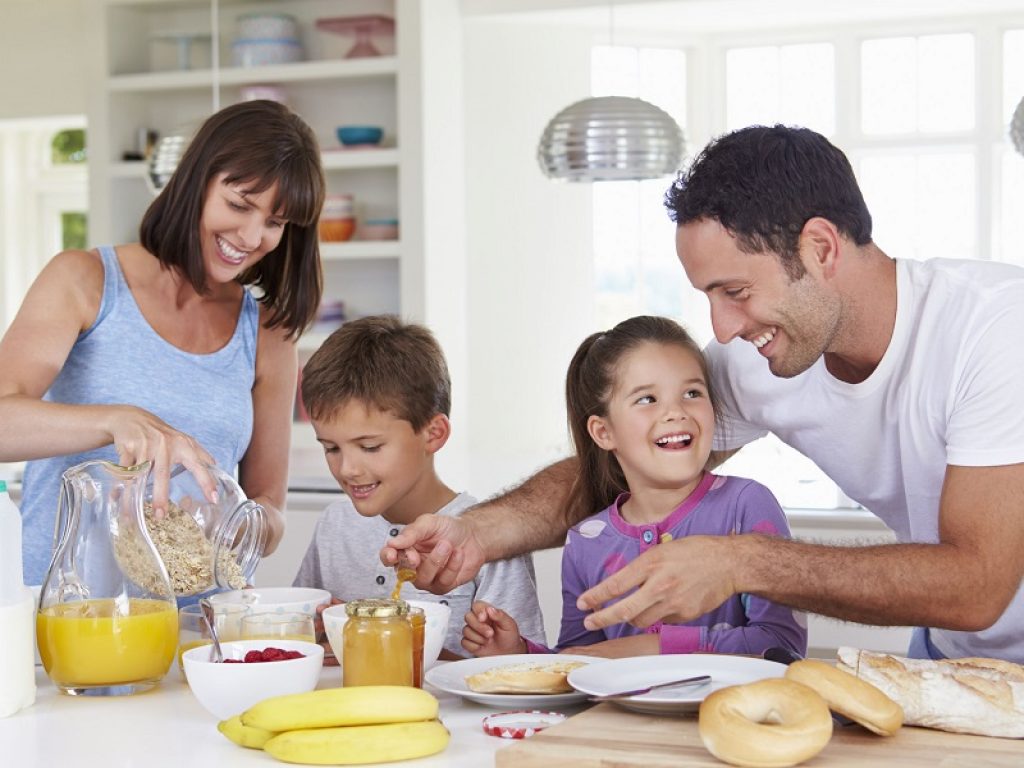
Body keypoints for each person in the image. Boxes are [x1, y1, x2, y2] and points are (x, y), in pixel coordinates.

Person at [385, 125, 1024, 664]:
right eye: (709, 298)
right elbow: (626, 462)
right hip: (950, 653)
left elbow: (978, 584)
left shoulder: (994, 331)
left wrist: (743, 561)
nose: (722, 329)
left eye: (735, 291)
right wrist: (473, 535)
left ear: (821, 247)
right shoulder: (763, 355)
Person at [0, 99, 325, 586]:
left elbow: (270, 508)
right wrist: (117, 420)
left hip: (195, 634)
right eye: (239, 204)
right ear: (196, 182)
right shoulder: (84, 281)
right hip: (67, 625)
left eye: (275, 223)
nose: (252, 235)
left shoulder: (266, 332)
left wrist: (236, 526)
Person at [462, 316, 806, 659]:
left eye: (692, 392)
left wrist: (653, 647)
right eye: (647, 399)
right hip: (617, 716)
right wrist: (520, 652)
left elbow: (781, 645)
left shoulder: (747, 505)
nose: (675, 411)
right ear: (603, 432)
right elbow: (580, 661)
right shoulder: (586, 541)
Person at [292, 315, 545, 659]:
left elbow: (524, 672)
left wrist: (377, 641)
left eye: (370, 447)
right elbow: (300, 641)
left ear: (433, 434)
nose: (347, 469)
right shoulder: (334, 526)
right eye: (331, 448)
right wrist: (317, 633)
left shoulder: (489, 536)